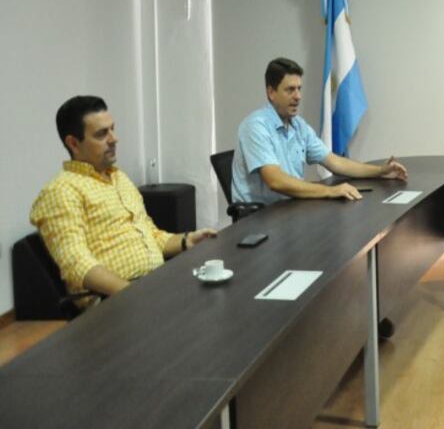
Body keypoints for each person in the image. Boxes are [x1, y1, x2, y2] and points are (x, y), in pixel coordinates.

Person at [30, 96, 217, 307]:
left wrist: (187, 240)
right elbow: (77, 264)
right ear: (73, 143)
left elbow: (151, 235)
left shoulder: (119, 178)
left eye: (112, 129)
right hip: (114, 303)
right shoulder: (61, 191)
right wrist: (135, 294)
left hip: (153, 286)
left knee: (221, 294)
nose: (113, 139)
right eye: (102, 134)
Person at [231, 57, 407, 205]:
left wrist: (380, 171)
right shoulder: (255, 126)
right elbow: (275, 181)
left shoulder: (298, 126)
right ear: (271, 92)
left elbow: (335, 162)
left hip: (290, 208)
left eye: (299, 89)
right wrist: (329, 191)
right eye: (290, 90)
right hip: (260, 219)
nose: (298, 96)